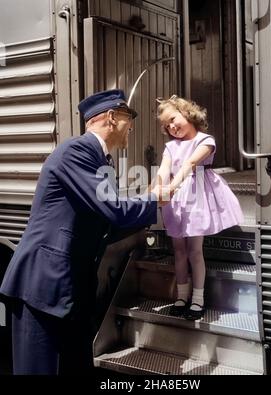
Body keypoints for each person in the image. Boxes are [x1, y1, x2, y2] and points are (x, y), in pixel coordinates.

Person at [0, 89, 170, 375]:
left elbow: (110, 223)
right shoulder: (76, 151)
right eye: (131, 118)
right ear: (113, 117)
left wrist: (149, 204)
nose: (133, 126)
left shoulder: (102, 161)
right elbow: (115, 210)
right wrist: (154, 199)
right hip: (43, 288)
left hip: (69, 291)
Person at [153, 95, 244, 320]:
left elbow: (190, 164)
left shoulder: (206, 140)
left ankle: (198, 299)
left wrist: (172, 187)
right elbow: (164, 169)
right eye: (167, 126)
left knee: (194, 250)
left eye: (173, 119)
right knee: (179, 251)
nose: (172, 127)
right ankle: (181, 295)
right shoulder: (170, 146)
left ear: (187, 113)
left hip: (197, 195)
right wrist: (158, 188)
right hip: (176, 200)